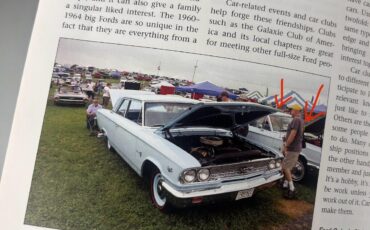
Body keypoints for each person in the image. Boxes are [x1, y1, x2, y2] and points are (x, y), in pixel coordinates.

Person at [282, 105, 304, 198]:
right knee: (289, 167)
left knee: (285, 167)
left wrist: (286, 145)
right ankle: (286, 184)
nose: (290, 111)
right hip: (296, 148)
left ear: (295, 111)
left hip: (293, 148)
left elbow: (293, 134)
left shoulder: (296, 120)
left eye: (291, 110)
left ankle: (292, 188)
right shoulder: (301, 120)